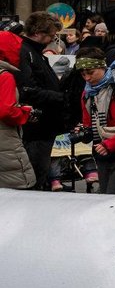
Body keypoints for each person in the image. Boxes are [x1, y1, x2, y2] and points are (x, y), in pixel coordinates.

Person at [17, 12, 65, 189]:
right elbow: (28, 90)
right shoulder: (27, 52)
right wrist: (60, 97)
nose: (53, 39)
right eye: (51, 35)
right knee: (36, 174)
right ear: (38, 32)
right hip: (36, 126)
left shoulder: (33, 52)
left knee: (40, 173)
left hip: (42, 124)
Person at [74, 55, 115, 194]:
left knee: (112, 196)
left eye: (91, 72)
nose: (87, 78)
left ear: (103, 67)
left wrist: (111, 144)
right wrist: (83, 131)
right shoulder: (87, 93)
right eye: (83, 74)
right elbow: (88, 122)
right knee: (104, 194)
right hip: (101, 152)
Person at [0, 31, 36, 190]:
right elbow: (6, 111)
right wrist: (24, 112)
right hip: (5, 142)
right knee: (20, 185)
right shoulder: (4, 76)